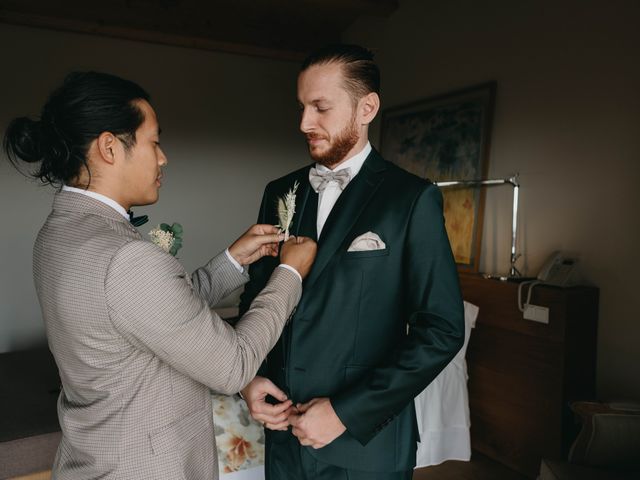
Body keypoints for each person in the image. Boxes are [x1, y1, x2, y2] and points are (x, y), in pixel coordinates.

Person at [3, 71, 316, 480]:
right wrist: (290, 273)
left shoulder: (56, 233)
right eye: (154, 142)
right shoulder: (124, 256)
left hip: (92, 459)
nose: (163, 157)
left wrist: (233, 259)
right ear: (110, 148)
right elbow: (233, 365)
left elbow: (158, 313)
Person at [239, 44, 465, 479]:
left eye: (320, 107)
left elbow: (441, 330)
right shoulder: (279, 192)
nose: (304, 123)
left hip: (365, 446)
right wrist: (249, 378)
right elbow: (259, 295)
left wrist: (346, 412)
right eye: (302, 107)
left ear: (367, 107)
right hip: (284, 440)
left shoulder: (411, 199)